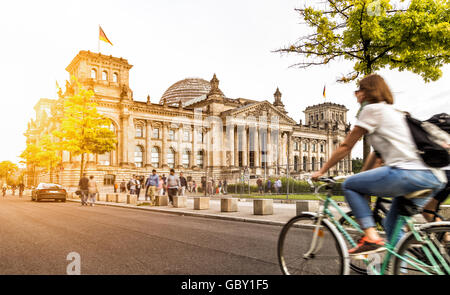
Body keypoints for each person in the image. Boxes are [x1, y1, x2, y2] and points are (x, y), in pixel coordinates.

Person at [311, 74, 446, 256]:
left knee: (350, 185)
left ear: (368, 92)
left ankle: (370, 237)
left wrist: (322, 170)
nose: (356, 93)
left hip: (406, 173)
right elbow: (379, 153)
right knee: (392, 225)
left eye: (359, 89)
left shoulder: (371, 110)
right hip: (433, 176)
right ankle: (402, 268)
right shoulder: (396, 112)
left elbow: (345, 146)